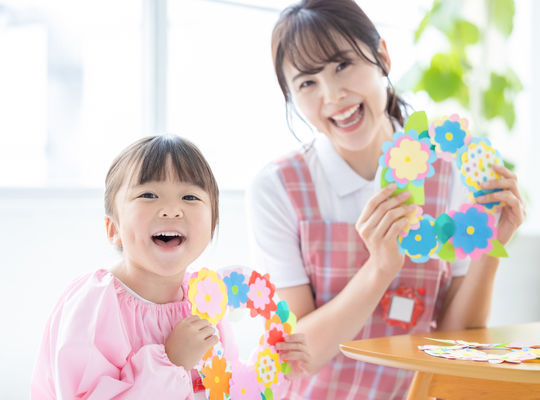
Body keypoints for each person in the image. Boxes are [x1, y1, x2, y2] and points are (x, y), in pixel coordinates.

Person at [247, 1, 526, 399]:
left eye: (342, 65)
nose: (333, 95)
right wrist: (380, 268)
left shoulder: (449, 172)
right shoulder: (278, 188)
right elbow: (295, 356)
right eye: (307, 83)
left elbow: (456, 341)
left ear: (382, 56)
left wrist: (490, 245)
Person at [31, 135, 309, 399]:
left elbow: (225, 388)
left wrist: (276, 370)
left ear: (212, 226)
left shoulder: (206, 299)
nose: (172, 210)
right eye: (148, 195)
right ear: (113, 228)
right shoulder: (94, 305)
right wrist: (171, 362)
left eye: (190, 197)